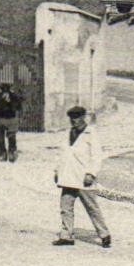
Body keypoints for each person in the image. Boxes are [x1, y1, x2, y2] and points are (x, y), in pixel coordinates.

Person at [52, 105, 110, 248]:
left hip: (83, 178)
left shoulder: (91, 134)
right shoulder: (68, 133)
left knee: (92, 207)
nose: (73, 121)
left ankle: (104, 234)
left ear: (83, 118)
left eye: (76, 118)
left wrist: (91, 173)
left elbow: (97, 156)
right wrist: (57, 171)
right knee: (66, 207)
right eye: (71, 118)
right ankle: (66, 236)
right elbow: (63, 154)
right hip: (68, 176)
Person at [0, 82, 21, 162]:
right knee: (0, 138)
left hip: (10, 119)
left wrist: (10, 101)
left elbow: (18, 106)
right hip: (1, 119)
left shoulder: (14, 96)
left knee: (11, 137)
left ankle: (11, 153)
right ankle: (3, 153)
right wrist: (1, 98)